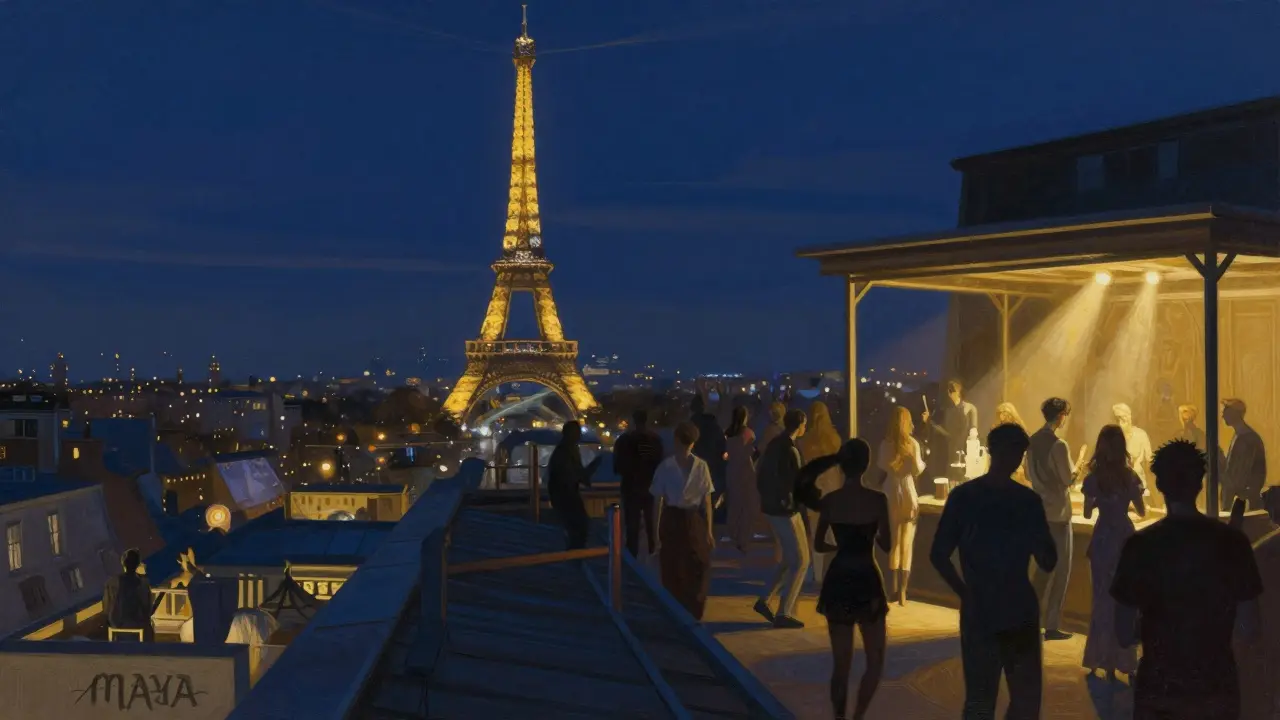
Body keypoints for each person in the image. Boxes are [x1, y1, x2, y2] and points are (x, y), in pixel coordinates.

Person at [1111, 439, 1263, 719]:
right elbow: (1250, 628)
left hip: (1160, 687)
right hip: (1216, 685)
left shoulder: (1140, 546)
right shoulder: (1233, 542)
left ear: (1159, 485)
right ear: (1201, 483)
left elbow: (1122, 634)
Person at [931, 423, 1057, 719]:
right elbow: (1048, 560)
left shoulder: (964, 497)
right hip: (1019, 608)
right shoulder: (1028, 502)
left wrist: (965, 592)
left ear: (990, 450)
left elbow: (938, 554)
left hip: (980, 608)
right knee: (1025, 701)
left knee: (979, 699)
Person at [810, 439, 892, 720]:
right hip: (867, 578)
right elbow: (887, 545)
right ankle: (858, 716)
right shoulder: (877, 500)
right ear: (866, 464)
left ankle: (840, 718)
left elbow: (819, 544)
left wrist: (840, 547)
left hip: (840, 577)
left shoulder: (831, 502)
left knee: (841, 664)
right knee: (875, 660)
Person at [1080, 425, 1145, 681]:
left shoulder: (1093, 479)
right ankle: (1126, 659)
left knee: (1102, 598)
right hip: (1125, 540)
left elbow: (1086, 514)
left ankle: (1102, 659)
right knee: (1127, 599)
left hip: (1103, 539)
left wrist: (1099, 502)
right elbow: (1140, 511)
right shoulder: (1130, 476)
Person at [1026, 397, 1087, 642]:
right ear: (1060, 415)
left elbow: (1030, 475)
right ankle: (1051, 625)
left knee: (1039, 572)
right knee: (1061, 571)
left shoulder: (1031, 442)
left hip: (1039, 512)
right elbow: (1068, 480)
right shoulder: (1059, 445)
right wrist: (1080, 463)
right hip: (1058, 515)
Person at [651, 421, 716, 620]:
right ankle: (693, 610)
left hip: (673, 518)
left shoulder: (666, 466)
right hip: (693, 518)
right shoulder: (701, 466)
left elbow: (657, 502)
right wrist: (709, 531)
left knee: (673, 567)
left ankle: (676, 611)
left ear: (676, 440)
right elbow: (707, 501)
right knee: (697, 565)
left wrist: (655, 532)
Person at [754, 408, 812, 629]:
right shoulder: (791, 449)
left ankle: (766, 600)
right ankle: (784, 611)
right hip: (787, 510)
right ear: (800, 424)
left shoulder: (774, 444)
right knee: (802, 560)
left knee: (790, 558)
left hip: (772, 507)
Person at [877, 406, 924, 606]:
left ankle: (893, 588)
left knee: (893, 542)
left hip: (890, 492)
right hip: (908, 493)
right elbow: (917, 470)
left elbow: (881, 466)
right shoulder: (913, 444)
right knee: (907, 542)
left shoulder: (885, 445)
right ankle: (904, 593)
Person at [797, 400, 843, 582]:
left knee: (817, 532)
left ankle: (817, 575)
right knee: (834, 532)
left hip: (814, 489)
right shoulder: (835, 439)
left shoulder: (804, 442)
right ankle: (834, 573)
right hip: (833, 488)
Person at [613, 409, 665, 557]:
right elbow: (659, 465)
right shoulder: (655, 440)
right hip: (649, 486)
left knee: (632, 525)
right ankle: (652, 552)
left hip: (630, 486)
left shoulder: (623, 441)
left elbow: (617, 467)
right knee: (651, 524)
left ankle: (632, 557)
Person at [547, 421, 603, 550]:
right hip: (566, 494)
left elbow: (576, 473)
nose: (579, 435)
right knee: (579, 525)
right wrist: (593, 467)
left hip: (563, 493)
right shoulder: (567, 450)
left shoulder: (565, 449)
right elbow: (575, 473)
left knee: (575, 526)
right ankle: (575, 555)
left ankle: (574, 553)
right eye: (576, 432)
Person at [920, 380, 979, 485]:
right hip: (951, 451)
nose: (952, 393)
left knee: (966, 480)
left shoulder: (970, 408)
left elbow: (973, 430)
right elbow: (945, 432)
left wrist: (972, 434)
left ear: (959, 391)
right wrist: (929, 421)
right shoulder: (948, 411)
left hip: (967, 451)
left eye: (954, 390)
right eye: (950, 391)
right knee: (952, 481)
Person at [724, 406, 763, 553]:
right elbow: (752, 453)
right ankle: (743, 539)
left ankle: (734, 535)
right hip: (746, 471)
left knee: (734, 505)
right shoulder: (748, 433)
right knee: (748, 506)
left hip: (732, 471)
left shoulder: (728, 433)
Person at [1221, 398, 1266, 513]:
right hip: (1236, 501)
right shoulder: (1240, 435)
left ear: (1234, 414)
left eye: (1225, 412)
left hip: (1241, 504)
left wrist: (1243, 497)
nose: (1222, 416)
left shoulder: (1248, 438)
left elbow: (1254, 473)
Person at [103, 548, 155, 641]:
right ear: (138, 564)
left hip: (117, 626)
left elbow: (106, 608)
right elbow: (148, 608)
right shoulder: (143, 584)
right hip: (139, 626)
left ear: (123, 563)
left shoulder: (112, 583)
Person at [1113, 403, 1154, 499]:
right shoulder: (1113, 437)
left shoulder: (1141, 435)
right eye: (1117, 420)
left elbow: (1150, 460)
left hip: (1138, 483)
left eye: (1122, 419)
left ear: (1129, 418)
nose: (1120, 423)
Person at [690, 393, 727, 493]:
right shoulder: (713, 425)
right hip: (714, 466)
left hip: (695, 468)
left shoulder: (690, 426)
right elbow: (722, 445)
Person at [992, 402, 1030, 486]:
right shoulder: (998, 429)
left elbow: (1025, 450)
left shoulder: (1019, 429)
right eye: (1000, 413)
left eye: (1004, 413)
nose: (1002, 416)